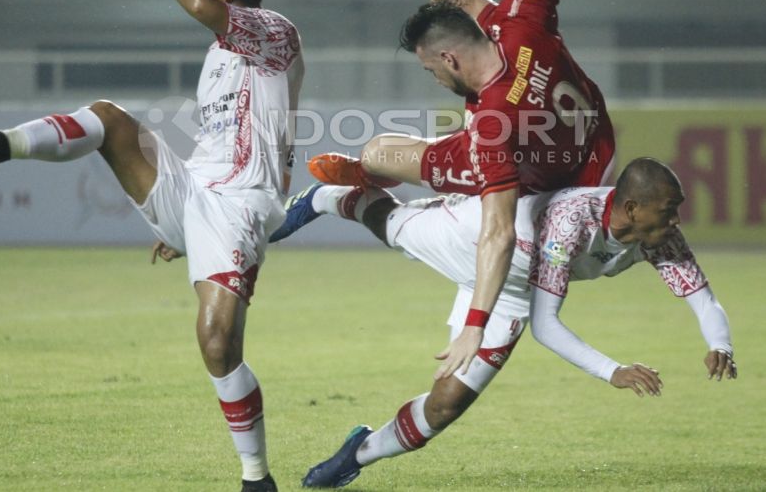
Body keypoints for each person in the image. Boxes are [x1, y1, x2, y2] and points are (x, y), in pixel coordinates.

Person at [0, 0, 302, 492]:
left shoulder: (276, 33)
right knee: (109, 118)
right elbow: (225, 137)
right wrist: (183, 221)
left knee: (216, 342)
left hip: (239, 204)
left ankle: (256, 478)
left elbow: (202, 9)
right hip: (195, 193)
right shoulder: (217, 58)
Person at [300, 0, 613, 381]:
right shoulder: (525, 20)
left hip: (556, 190)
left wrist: (474, 319)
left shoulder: (492, 123)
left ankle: (363, 182)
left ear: (448, 60)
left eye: (428, 68)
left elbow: (497, 231)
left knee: (381, 151)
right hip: (593, 139)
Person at [274, 158, 735, 488]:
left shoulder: (657, 236)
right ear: (632, 207)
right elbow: (547, 326)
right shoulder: (572, 221)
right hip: (478, 239)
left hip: (512, 290)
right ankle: (332, 197)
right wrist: (612, 370)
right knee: (392, 225)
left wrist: (721, 344)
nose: (677, 219)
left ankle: (357, 452)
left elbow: (702, 297)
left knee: (445, 407)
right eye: (668, 209)